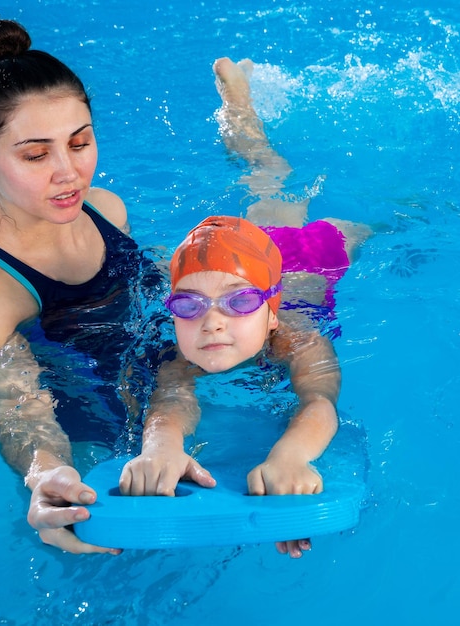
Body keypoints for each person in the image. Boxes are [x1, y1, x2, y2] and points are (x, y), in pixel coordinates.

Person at [0, 19, 178, 555]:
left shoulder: (105, 209)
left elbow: (155, 289)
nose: (69, 172)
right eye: (35, 154)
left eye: (80, 142)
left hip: (167, 382)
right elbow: (17, 406)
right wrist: (46, 473)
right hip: (96, 427)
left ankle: (251, 139)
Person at [118, 58, 371, 559]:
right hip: (241, 260)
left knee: (276, 177)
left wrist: (291, 455)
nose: (212, 321)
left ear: (269, 315)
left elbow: (319, 402)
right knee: (261, 186)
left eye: (239, 304)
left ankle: (239, 101)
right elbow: (169, 407)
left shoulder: (299, 339)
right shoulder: (180, 355)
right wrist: (160, 448)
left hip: (305, 263)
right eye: (188, 304)